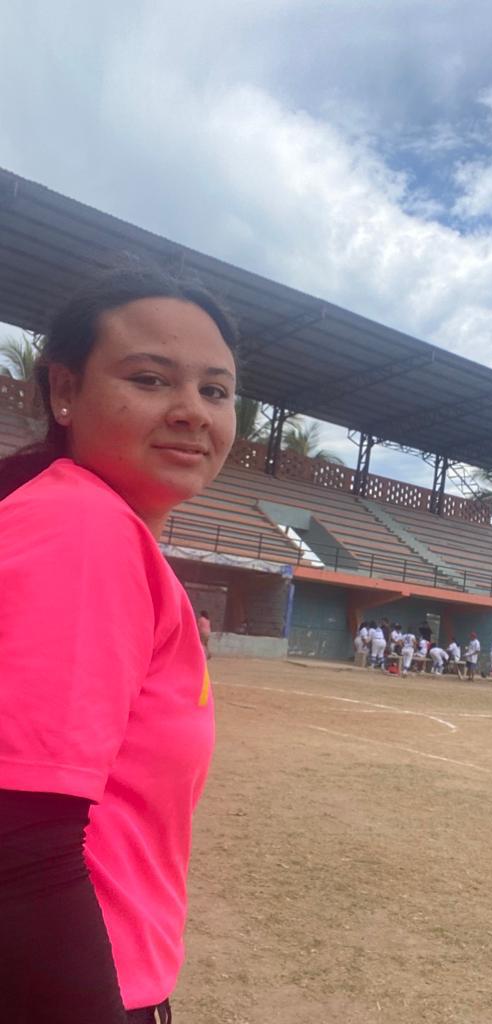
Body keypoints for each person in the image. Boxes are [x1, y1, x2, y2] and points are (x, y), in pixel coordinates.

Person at [0, 266, 239, 1023]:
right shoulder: (83, 531)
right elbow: (19, 849)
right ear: (64, 391)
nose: (192, 412)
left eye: (216, 391)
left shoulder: (95, 530)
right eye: (150, 378)